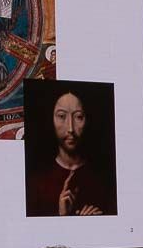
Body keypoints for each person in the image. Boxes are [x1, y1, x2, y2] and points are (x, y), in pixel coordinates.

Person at [25, 88, 117, 216]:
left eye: (78, 117)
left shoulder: (105, 179)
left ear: (87, 120)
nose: (70, 128)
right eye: (62, 116)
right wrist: (64, 217)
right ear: (51, 119)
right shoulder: (36, 182)